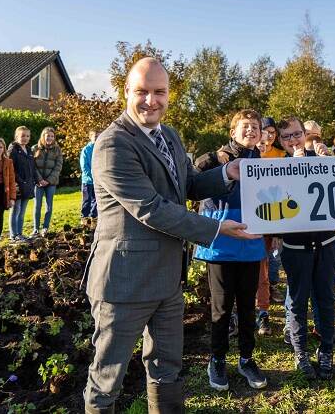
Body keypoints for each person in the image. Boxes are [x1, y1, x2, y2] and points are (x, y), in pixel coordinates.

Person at [82, 57, 256, 414]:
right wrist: (215, 228)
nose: (151, 100)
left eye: (159, 92)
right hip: (124, 283)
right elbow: (150, 208)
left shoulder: (169, 136)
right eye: (142, 91)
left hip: (167, 280)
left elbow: (188, 184)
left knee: (167, 371)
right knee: (106, 380)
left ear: (169, 94)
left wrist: (228, 173)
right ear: (126, 92)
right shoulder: (114, 144)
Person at [194, 109, 267, 392]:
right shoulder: (215, 158)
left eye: (255, 126)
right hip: (221, 244)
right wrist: (214, 161)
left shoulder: (263, 164)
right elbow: (192, 179)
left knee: (248, 307)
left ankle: (247, 359)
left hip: (250, 242)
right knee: (222, 307)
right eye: (245, 126)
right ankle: (217, 359)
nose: (250, 130)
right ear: (233, 132)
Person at [275, 116, 335, 380]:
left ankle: (327, 350)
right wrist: (295, 166)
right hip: (295, 247)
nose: (293, 140)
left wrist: (328, 162)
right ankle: (301, 352)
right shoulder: (275, 168)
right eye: (287, 136)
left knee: (326, 300)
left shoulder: (323, 159)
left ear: (305, 134)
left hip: (327, 244)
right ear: (280, 141)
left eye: (297, 134)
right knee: (297, 301)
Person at [255, 116, 285, 337]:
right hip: (242, 223)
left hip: (267, 223)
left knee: (262, 272)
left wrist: (276, 231)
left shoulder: (280, 157)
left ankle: (263, 313)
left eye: (270, 134)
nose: (264, 141)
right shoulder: (238, 158)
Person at [32, 126, 63, 237]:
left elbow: (58, 167)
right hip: (38, 183)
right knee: (37, 205)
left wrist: (48, 180)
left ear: (54, 137)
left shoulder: (57, 150)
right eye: (47, 136)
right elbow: (32, 166)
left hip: (51, 183)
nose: (49, 138)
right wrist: (39, 179)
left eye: (52, 136)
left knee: (49, 206)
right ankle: (36, 228)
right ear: (43, 136)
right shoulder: (35, 148)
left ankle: (45, 227)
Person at [8, 126, 35, 243]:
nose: (25, 138)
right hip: (17, 185)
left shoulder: (29, 150)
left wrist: (33, 181)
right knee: (16, 210)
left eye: (27, 136)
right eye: (22, 135)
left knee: (22, 212)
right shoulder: (12, 150)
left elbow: (32, 168)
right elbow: (10, 169)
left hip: (28, 185)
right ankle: (13, 235)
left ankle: (19, 233)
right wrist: (19, 181)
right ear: (16, 136)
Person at [80, 129, 99, 230]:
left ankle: (94, 219)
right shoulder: (86, 150)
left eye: (99, 136)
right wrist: (92, 177)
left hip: (98, 181)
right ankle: (84, 219)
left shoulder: (101, 148)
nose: (97, 138)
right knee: (87, 200)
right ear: (90, 137)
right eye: (95, 136)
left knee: (96, 201)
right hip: (88, 181)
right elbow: (84, 167)